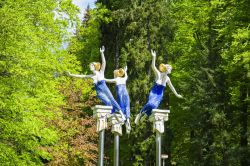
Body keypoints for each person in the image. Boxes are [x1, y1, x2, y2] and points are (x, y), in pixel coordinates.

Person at [66, 46, 126, 122]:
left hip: (104, 88)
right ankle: (113, 113)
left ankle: (121, 113)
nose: (90, 67)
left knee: (112, 99)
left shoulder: (101, 72)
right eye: (90, 66)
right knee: (107, 102)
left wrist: (102, 53)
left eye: (91, 65)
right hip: (99, 91)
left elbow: (104, 63)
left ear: (95, 66)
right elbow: (81, 76)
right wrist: (71, 74)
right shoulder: (91, 76)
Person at [135, 50, 183, 124]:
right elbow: (153, 66)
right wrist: (154, 57)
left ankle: (145, 115)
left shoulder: (167, 79)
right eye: (170, 69)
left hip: (160, 94)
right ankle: (140, 113)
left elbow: (172, 87)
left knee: (154, 106)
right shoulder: (159, 74)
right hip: (154, 91)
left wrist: (177, 94)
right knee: (150, 103)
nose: (171, 70)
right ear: (166, 69)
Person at [105, 66, 131, 134]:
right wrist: (125, 70)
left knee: (120, 105)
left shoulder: (116, 79)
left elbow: (108, 80)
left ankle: (122, 117)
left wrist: (102, 78)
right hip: (126, 93)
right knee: (127, 106)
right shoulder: (124, 78)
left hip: (120, 94)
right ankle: (128, 120)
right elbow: (126, 76)